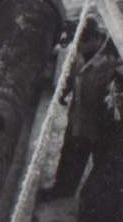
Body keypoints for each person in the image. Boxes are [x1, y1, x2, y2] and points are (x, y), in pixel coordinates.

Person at [51, 35, 123, 222]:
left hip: (117, 146)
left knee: (93, 196)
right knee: (110, 192)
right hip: (105, 137)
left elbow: (119, 114)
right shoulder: (102, 63)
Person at [37, 17, 111, 202]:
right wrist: (64, 91)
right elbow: (74, 75)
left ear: (92, 39)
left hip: (97, 122)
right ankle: (62, 189)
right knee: (69, 151)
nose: (76, 48)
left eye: (79, 44)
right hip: (78, 115)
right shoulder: (81, 52)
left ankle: (86, 195)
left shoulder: (109, 61)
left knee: (93, 160)